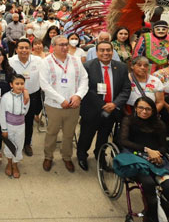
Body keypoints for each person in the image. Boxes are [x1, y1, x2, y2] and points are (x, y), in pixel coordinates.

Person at [119, 97, 169, 222]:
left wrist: (157, 154)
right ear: (135, 108)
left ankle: (159, 213)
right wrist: (147, 150)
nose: (144, 111)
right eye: (141, 107)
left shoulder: (159, 124)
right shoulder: (129, 120)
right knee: (149, 184)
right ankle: (151, 217)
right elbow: (123, 141)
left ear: (153, 111)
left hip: (157, 159)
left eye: (148, 109)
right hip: (135, 156)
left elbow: (164, 146)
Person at [77, 41, 131, 171]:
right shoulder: (87, 66)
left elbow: (126, 89)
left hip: (112, 110)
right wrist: (103, 105)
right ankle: (81, 156)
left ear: (113, 52)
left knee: (104, 135)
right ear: (96, 52)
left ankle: (100, 156)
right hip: (92, 109)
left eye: (108, 50)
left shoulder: (121, 67)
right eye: (102, 50)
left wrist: (114, 104)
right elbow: (86, 89)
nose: (105, 53)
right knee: (86, 135)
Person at [39, 35, 89, 172]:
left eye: (66, 44)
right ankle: (48, 157)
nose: (65, 47)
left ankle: (67, 157)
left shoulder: (76, 61)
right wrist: (61, 100)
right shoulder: (46, 62)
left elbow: (84, 79)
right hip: (54, 105)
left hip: (73, 105)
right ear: (53, 47)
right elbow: (44, 85)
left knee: (69, 133)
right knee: (52, 132)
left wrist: (78, 96)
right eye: (61, 45)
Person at [9, 38, 43, 156]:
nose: (24, 50)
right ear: (16, 49)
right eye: (21, 48)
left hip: (33, 95)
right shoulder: (10, 61)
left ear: (30, 49)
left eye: (26, 48)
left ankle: (27, 143)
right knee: (14, 120)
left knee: (28, 121)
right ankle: (13, 143)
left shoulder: (38, 60)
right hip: (15, 96)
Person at [0, 74, 30, 178]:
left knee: (19, 144)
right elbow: (2, 114)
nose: (20, 86)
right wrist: (4, 128)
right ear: (11, 85)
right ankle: (9, 163)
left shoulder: (26, 97)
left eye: (22, 84)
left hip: (21, 125)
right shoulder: (5, 97)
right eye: (17, 83)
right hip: (8, 125)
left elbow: (25, 111)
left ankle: (15, 164)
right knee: (9, 144)